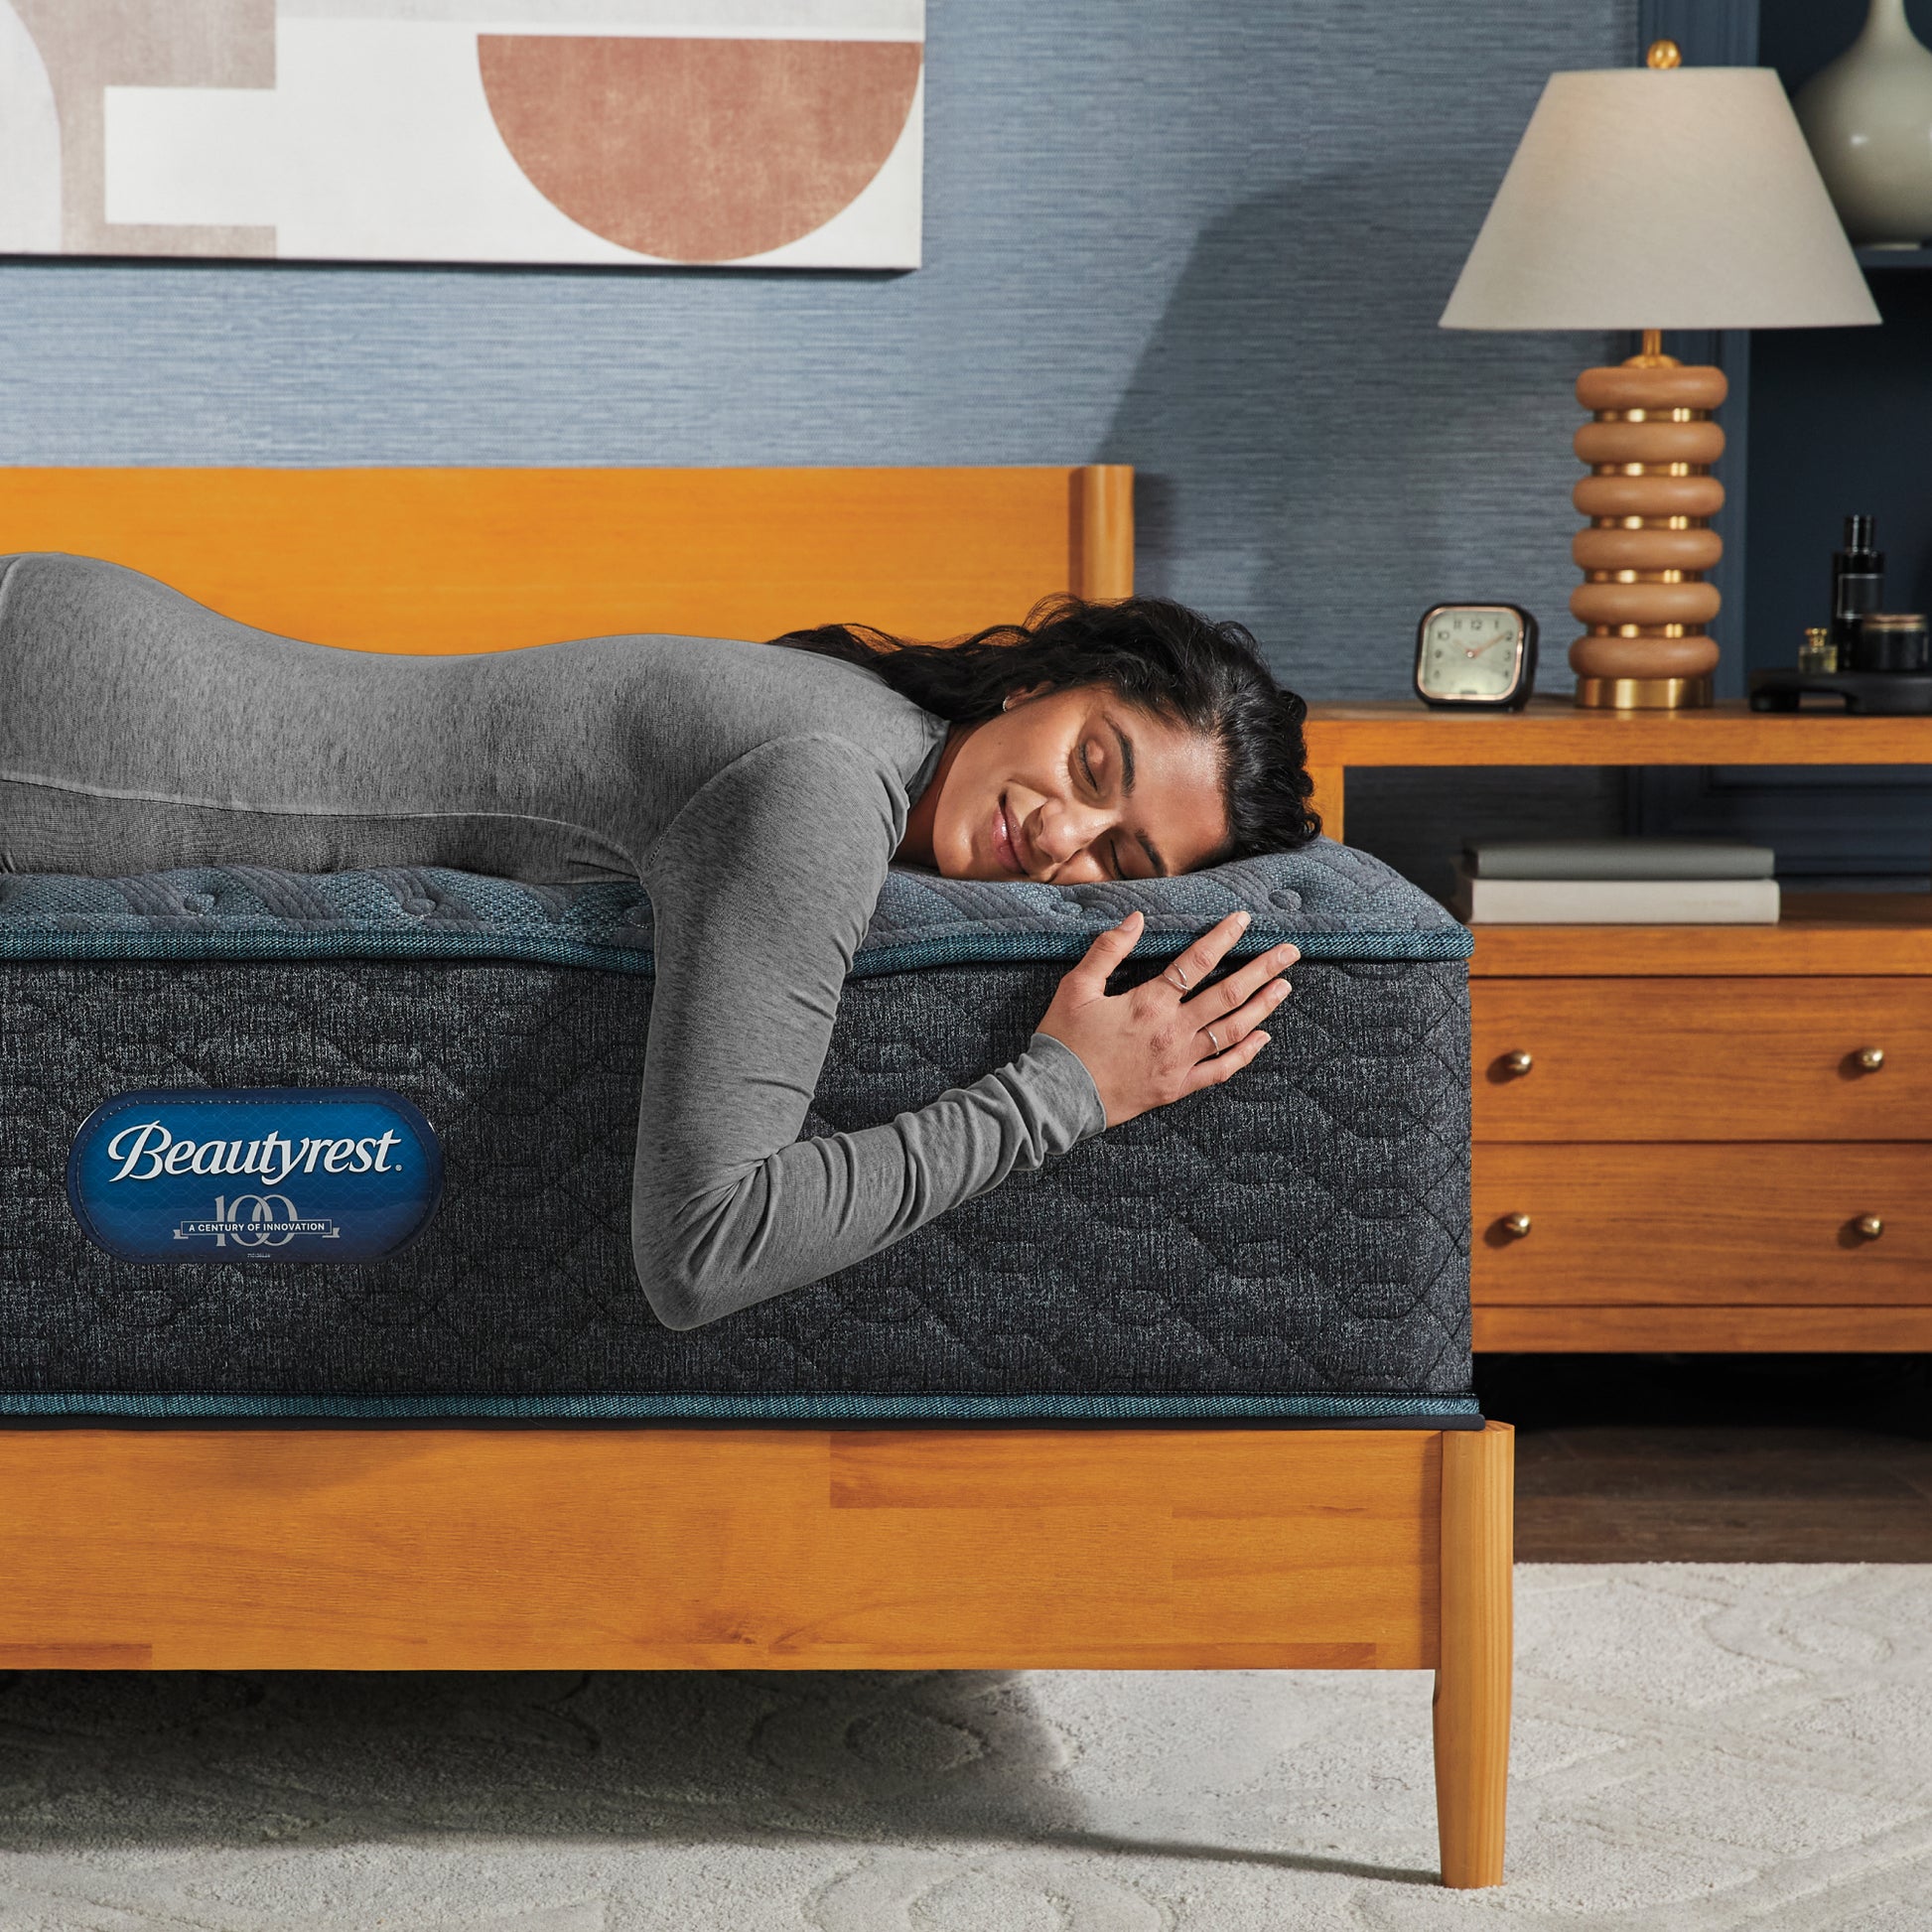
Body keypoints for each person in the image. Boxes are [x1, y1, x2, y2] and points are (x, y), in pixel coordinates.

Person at [0, 553, 1317, 1327]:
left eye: (1121, 861)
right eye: (1092, 763)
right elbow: (704, 1247)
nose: (1061, 836)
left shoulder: (862, 731)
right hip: (59, 743)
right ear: (1040, 686)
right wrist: (1064, 1090)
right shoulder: (820, 778)